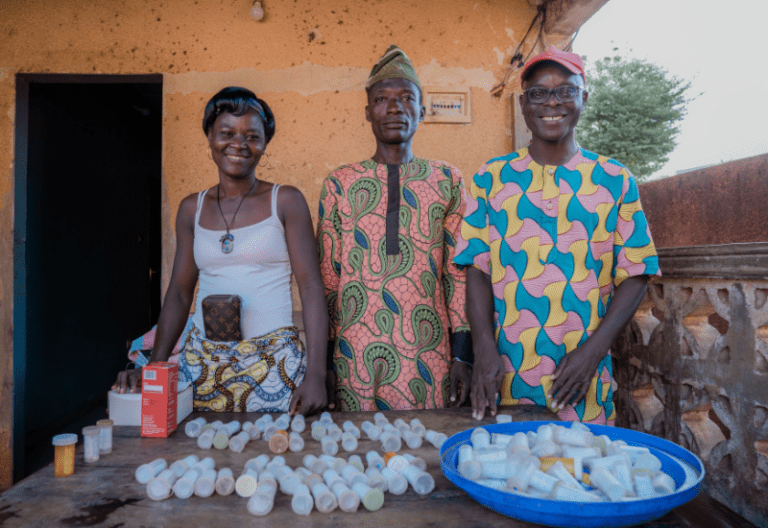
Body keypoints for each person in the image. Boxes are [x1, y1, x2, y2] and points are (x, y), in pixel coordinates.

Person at [454, 46, 660, 424]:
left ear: (584, 96)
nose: (552, 102)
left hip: (580, 380)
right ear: (523, 103)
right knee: (507, 472)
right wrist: (483, 348)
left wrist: (592, 354)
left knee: (581, 474)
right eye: (538, 92)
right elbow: (476, 269)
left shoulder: (615, 179)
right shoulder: (491, 177)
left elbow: (637, 272)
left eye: (566, 90)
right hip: (504, 377)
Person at [113, 87, 328, 415]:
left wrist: (315, 375)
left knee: (275, 459)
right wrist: (154, 366)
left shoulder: (285, 201)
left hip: (274, 365)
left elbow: (312, 289)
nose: (239, 144)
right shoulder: (191, 209)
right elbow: (180, 294)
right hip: (203, 364)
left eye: (252, 136)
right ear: (210, 138)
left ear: (264, 144)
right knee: (198, 457)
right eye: (227, 133)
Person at [316, 45, 473, 412]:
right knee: (358, 459)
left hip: (428, 357)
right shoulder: (340, 183)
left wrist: (464, 356)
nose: (394, 107)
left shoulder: (447, 179)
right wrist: (322, 365)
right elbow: (327, 278)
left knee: (425, 454)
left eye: (406, 98)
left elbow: (458, 274)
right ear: (367, 111)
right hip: (352, 359)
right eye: (382, 99)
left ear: (421, 109)